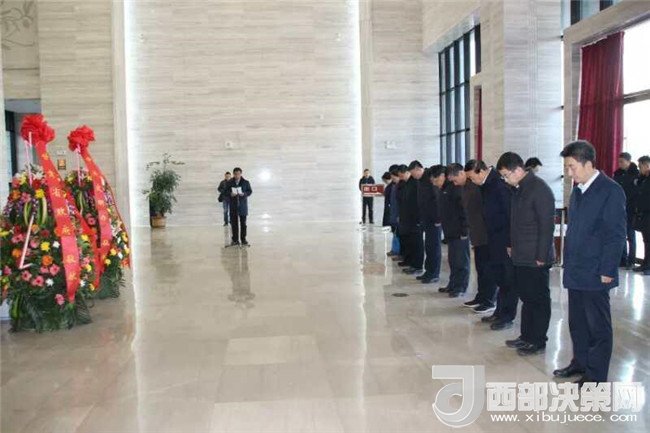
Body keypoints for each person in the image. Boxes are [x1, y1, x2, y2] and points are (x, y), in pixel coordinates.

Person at [553, 140, 626, 385]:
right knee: (578, 323)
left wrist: (608, 269)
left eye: (572, 167)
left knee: (598, 327)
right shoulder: (578, 191)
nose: (569, 173)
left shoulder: (610, 190)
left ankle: (596, 376)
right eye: (567, 167)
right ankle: (580, 363)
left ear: (587, 164)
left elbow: (616, 234)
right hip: (576, 269)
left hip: (596, 271)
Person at [497, 152, 555, 356]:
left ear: (518, 170)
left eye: (506, 175)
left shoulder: (539, 189)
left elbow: (546, 226)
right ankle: (526, 336)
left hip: (535, 257)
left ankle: (537, 340)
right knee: (527, 297)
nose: (505, 180)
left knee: (538, 300)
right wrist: (511, 244)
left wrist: (541, 256)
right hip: (521, 254)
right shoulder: (519, 189)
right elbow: (516, 222)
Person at [466, 159, 516, 331]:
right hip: (492, 239)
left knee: (507, 279)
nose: (472, 181)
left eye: (472, 177)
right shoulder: (486, 185)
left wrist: (509, 242)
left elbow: (509, 215)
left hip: (503, 240)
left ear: (480, 171)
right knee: (499, 277)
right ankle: (499, 311)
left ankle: (507, 316)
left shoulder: (498, 185)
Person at [448, 162, 495, 313]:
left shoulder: (477, 186)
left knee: (488, 270)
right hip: (476, 234)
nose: (455, 184)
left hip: (486, 234)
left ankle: (489, 300)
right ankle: (481, 296)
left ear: (462, 173)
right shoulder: (466, 187)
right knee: (480, 269)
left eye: (455, 180)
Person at [433, 165, 470, 298]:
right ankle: (453, 284)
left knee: (461, 261)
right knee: (453, 260)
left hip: (460, 231)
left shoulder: (456, 188)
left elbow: (464, 211)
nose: (436, 184)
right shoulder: (445, 189)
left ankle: (460, 287)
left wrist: (465, 230)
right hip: (450, 231)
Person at [410, 161, 441, 283]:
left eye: (414, 173)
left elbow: (437, 199)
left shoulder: (430, 178)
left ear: (418, 169)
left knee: (434, 247)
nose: (413, 176)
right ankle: (428, 271)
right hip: (426, 219)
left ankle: (434, 273)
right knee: (428, 246)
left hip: (434, 220)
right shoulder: (421, 181)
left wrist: (438, 218)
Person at [613, 152, 640, 269]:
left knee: (630, 235)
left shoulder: (635, 174)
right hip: (619, 208)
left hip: (630, 208)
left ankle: (631, 260)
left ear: (628, 161)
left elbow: (636, 192)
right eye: (619, 162)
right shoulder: (618, 174)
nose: (620, 164)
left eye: (622, 162)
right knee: (621, 234)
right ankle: (622, 259)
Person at [397, 165, 422, 273]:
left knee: (417, 243)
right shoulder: (407, 184)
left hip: (415, 219)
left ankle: (417, 265)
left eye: (402, 175)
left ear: (407, 172)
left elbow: (417, 203)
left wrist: (418, 219)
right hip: (407, 219)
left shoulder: (415, 183)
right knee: (410, 242)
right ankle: (411, 262)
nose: (401, 178)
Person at [225, 167, 253, 246]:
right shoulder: (229, 182)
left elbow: (250, 191)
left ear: (241, 174)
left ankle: (243, 239)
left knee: (243, 224)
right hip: (233, 206)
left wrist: (244, 194)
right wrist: (230, 194)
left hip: (242, 206)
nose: (237, 176)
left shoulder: (246, 182)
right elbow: (225, 192)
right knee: (234, 224)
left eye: (238, 174)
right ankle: (235, 240)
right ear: (233, 174)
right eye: (235, 174)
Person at [633, 155, 650, 274]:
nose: (639, 169)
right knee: (646, 240)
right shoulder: (644, 179)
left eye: (640, 166)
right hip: (644, 214)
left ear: (646, 165)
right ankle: (645, 263)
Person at [386, 165, 402, 258]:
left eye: (394, 177)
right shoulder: (393, 186)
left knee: (398, 234)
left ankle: (397, 251)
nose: (393, 179)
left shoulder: (400, 187)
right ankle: (395, 250)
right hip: (394, 213)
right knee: (395, 233)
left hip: (398, 215)